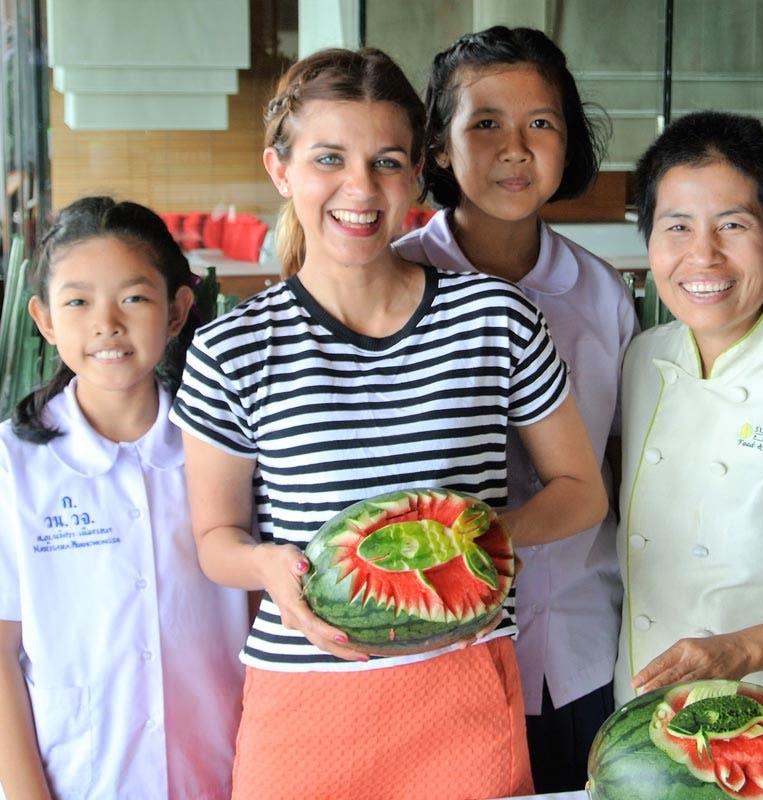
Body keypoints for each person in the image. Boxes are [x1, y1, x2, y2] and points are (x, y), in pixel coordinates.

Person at [170, 46, 608, 800]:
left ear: (415, 176)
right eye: (329, 159)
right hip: (304, 702)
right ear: (281, 169)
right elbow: (216, 542)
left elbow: (581, 491)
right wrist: (270, 568)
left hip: (466, 690)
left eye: (386, 162)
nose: (359, 189)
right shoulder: (228, 347)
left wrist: (476, 540)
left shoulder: (494, 318)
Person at [393, 26, 637, 792]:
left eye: (542, 123)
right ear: (437, 147)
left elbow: (623, 458)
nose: (516, 149)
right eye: (486, 123)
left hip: (579, 647)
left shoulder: (601, 294)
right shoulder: (394, 282)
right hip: (435, 648)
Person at [0, 196, 249, 800]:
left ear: (176, 311)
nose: (106, 323)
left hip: (227, 771)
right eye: (78, 301)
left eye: (134, 297)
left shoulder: (222, 448)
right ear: (45, 319)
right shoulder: (13, 464)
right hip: (82, 778)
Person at [614, 110, 763, 706]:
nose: (703, 256)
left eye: (732, 225)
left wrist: (744, 649)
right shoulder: (641, 361)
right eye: (677, 227)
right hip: (639, 718)